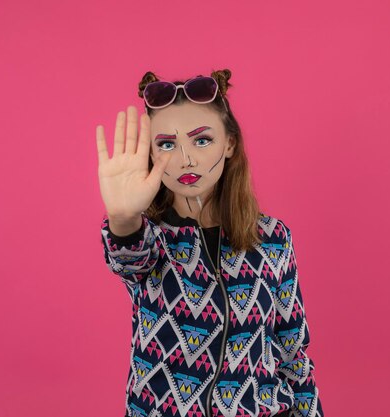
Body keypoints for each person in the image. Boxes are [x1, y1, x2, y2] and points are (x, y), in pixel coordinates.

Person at [96, 69, 324, 417]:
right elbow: (128, 257)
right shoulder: (151, 241)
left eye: (202, 140)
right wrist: (123, 218)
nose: (186, 158)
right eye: (167, 144)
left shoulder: (273, 239)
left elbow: (294, 355)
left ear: (229, 144)